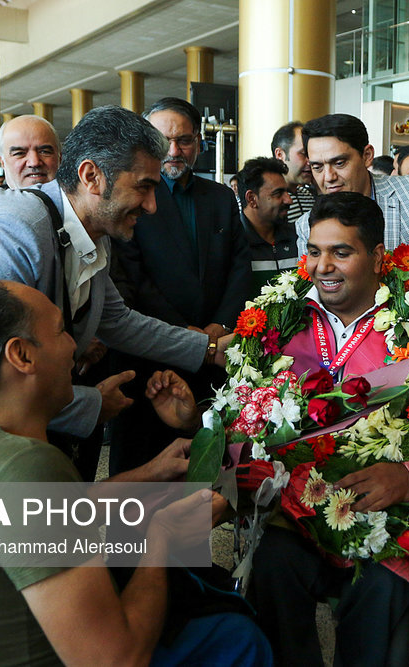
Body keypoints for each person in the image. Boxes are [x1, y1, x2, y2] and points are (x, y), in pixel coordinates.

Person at [0, 105, 213, 613]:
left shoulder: (88, 232)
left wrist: (210, 352)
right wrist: (89, 403)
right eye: (144, 186)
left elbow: (116, 319)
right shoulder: (6, 231)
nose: (154, 205)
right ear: (93, 176)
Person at [153, 192, 409, 666]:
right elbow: (246, 423)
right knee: (271, 570)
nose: (322, 266)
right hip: (294, 513)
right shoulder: (277, 323)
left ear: (376, 257)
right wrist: (196, 422)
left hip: (387, 514)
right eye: (313, 250)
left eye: (341, 252)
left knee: (384, 588)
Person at [0, 274, 270, 667]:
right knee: (238, 639)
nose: (74, 345)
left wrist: (150, 473)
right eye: (61, 331)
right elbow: (117, 660)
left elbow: (40, 517)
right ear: (21, 356)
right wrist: (161, 537)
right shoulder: (23, 468)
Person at [109, 96, 252, 473]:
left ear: (199, 143)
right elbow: (133, 277)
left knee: (202, 471)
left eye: (184, 140)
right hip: (149, 356)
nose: (174, 150)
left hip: (216, 353)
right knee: (141, 469)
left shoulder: (221, 197)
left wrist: (219, 326)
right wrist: (187, 334)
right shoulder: (131, 197)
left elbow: (240, 266)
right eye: (162, 140)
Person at [294, 113, 409, 309]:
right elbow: (313, 292)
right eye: (317, 167)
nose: (328, 177)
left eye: (339, 163)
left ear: (367, 156)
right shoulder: (307, 225)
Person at [236, 156, 297, 294]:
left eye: (287, 192)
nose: (289, 200)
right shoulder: (232, 244)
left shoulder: (298, 238)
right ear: (252, 199)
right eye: (278, 193)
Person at [0, 114, 61, 189]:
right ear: (2, 162)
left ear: (60, 158)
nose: (34, 163)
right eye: (20, 153)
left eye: (44, 152)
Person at [271, 121, 315, 224]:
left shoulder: (307, 195)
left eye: (311, 154)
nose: (310, 161)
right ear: (280, 154)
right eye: (303, 154)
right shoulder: (267, 201)